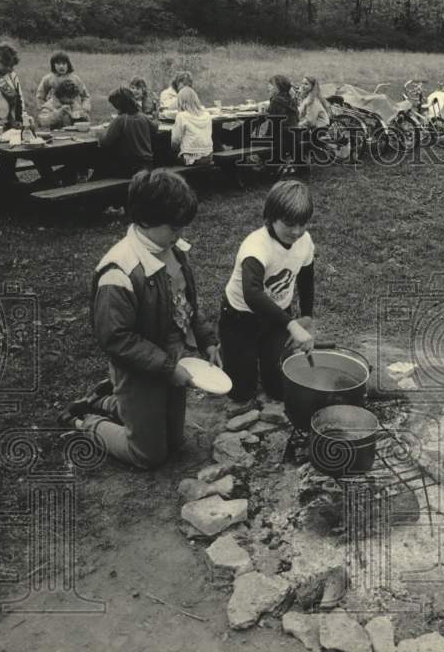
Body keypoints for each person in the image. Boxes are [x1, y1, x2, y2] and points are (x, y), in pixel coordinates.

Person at [61, 169, 219, 470]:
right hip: (138, 370)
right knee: (149, 454)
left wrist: (207, 341)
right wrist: (165, 367)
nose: (180, 234)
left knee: (174, 442)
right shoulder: (119, 271)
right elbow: (115, 338)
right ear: (145, 220)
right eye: (174, 227)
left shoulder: (172, 250)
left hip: (171, 362)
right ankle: (86, 420)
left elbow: (188, 306)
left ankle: (107, 402)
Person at [219, 180, 315, 413]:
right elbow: (252, 294)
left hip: (277, 315)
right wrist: (292, 325)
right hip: (241, 317)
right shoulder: (256, 247)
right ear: (270, 217)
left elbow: (305, 278)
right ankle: (231, 350)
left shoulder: (304, 241)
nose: (296, 231)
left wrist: (308, 317)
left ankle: (264, 355)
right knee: (240, 391)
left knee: (278, 389)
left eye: (302, 223)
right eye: (289, 224)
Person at [95, 86, 159, 178]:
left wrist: (99, 135)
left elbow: (105, 142)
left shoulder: (120, 120)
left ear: (119, 106)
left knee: (100, 166)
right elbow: (155, 130)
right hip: (147, 165)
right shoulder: (143, 117)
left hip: (130, 168)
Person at [171, 87, 213, 165]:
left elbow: (175, 140)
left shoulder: (181, 116)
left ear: (180, 101)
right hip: (208, 155)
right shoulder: (207, 115)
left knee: (166, 157)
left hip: (191, 158)